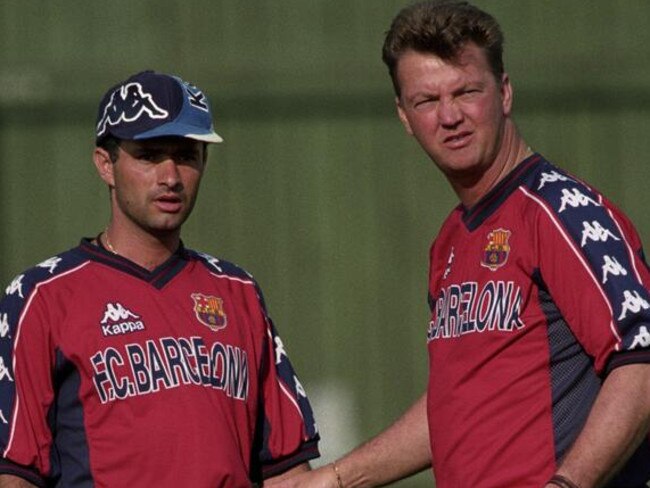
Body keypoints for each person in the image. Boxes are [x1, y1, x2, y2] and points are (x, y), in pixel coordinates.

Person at [269, 1, 650, 487]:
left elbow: (640, 361)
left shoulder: (559, 211)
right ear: (404, 116)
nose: (450, 116)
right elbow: (458, 406)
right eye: (426, 101)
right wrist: (337, 477)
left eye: (467, 91)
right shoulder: (453, 237)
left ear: (505, 92)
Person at [0, 70, 320, 487]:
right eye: (149, 155)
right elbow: (16, 472)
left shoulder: (237, 290)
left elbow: (286, 468)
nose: (171, 176)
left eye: (186, 155)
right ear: (105, 164)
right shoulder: (41, 295)